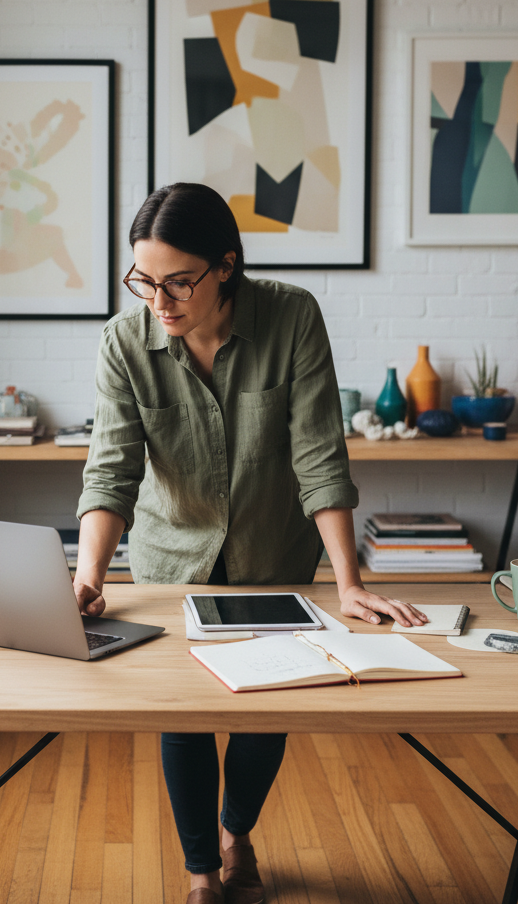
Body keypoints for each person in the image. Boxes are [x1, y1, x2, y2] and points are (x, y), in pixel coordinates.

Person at [73, 183, 426, 904]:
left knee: (268, 710)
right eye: (144, 280)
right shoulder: (123, 342)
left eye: (178, 281)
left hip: (274, 555)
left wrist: (348, 582)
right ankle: (203, 873)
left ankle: (237, 833)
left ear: (226, 265)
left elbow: (320, 455)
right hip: (174, 563)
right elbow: (110, 472)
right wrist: (89, 577)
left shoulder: (292, 317)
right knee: (186, 715)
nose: (160, 302)